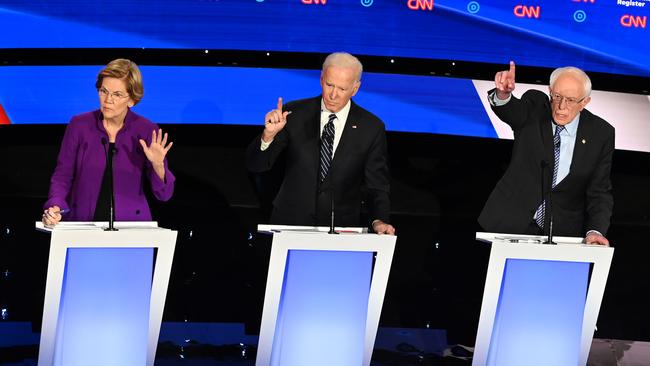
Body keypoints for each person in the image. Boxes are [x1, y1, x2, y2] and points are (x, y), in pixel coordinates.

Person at [246, 52, 395, 234]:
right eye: (329, 84)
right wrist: (267, 136)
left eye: (342, 88)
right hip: (290, 223)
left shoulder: (371, 127)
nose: (333, 94)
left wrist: (379, 220)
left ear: (355, 89)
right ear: (321, 79)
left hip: (341, 227)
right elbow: (256, 165)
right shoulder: (294, 114)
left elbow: (377, 185)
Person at [478, 61, 614, 245]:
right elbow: (512, 111)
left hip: (562, 234)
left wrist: (595, 230)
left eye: (571, 100)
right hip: (509, 225)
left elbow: (599, 191)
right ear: (550, 91)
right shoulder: (535, 108)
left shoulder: (600, 133)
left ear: (584, 102)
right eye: (557, 96)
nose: (561, 106)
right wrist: (503, 94)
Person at [42, 58, 174, 226]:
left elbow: (164, 195)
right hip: (82, 226)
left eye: (117, 94)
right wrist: (56, 206)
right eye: (103, 91)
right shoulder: (79, 125)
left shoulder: (147, 130)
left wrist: (158, 166)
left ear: (132, 100)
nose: (107, 100)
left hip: (132, 229)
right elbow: (63, 175)